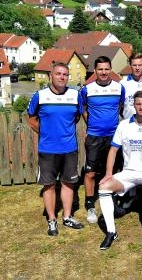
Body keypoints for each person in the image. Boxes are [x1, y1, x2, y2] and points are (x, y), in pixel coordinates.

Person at [98, 91, 142, 250]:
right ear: (133, 105)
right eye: (138, 104)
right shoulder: (123, 125)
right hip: (128, 173)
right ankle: (111, 232)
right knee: (104, 187)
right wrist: (109, 173)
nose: (141, 107)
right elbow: (113, 150)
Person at [28, 62, 85, 236]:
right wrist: (47, 132)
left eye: (65, 75)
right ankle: (52, 220)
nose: (62, 77)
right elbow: (31, 119)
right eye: (58, 74)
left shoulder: (75, 95)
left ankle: (67, 217)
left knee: (68, 183)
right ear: (50, 76)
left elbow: (76, 117)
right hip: (48, 149)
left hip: (69, 149)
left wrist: (63, 132)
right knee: (49, 185)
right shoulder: (40, 96)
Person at [81, 55, 125, 224]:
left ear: (111, 70)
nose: (104, 72)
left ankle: (113, 202)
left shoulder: (119, 88)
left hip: (113, 137)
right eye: (100, 69)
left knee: (113, 171)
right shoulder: (87, 89)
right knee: (91, 172)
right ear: (95, 70)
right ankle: (90, 204)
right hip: (94, 137)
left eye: (107, 69)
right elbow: (83, 109)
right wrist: (92, 124)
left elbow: (120, 107)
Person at [120, 53, 142, 120]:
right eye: (134, 65)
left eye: (140, 65)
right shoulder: (123, 83)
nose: (137, 68)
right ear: (130, 65)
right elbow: (119, 106)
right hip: (129, 125)